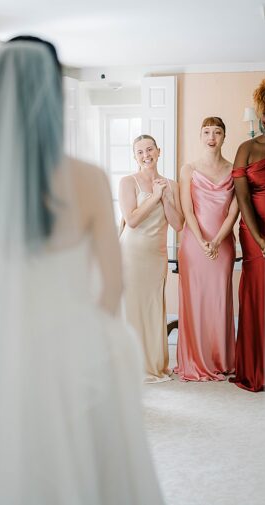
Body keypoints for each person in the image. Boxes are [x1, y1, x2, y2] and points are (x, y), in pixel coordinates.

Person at [0, 38, 165, 504]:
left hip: (2, 346)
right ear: (52, 96)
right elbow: (112, 287)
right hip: (76, 344)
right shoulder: (87, 177)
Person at [174, 117, 238, 381]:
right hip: (193, 245)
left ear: (225, 136)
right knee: (195, 300)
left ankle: (222, 359)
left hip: (222, 245)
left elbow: (235, 210)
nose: (212, 137)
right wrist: (202, 241)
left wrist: (217, 240)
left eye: (218, 132)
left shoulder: (235, 169)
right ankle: (196, 359)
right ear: (201, 136)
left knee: (219, 300)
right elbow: (187, 210)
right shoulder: (188, 169)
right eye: (207, 132)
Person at [119, 134, 184, 383]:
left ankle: (154, 364)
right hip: (132, 255)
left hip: (157, 256)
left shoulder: (172, 184)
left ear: (159, 151)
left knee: (153, 308)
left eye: (150, 150)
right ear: (134, 156)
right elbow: (132, 220)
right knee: (132, 309)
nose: (146, 155)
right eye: (140, 152)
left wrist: (165, 196)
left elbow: (178, 224)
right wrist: (154, 197)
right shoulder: (128, 182)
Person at [230, 78, 265, 393]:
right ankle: (257, 370)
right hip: (254, 233)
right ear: (263, 114)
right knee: (258, 296)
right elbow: (243, 200)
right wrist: (261, 240)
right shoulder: (247, 148)